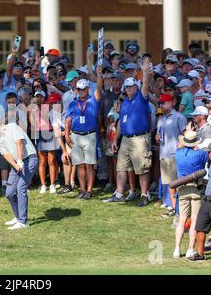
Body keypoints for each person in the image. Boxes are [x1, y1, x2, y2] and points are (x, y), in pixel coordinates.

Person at [104, 57, 152, 206]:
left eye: (131, 87)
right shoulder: (124, 102)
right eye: (127, 87)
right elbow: (120, 122)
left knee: (142, 168)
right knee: (121, 167)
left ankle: (145, 195)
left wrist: (144, 72)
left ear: (136, 87)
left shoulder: (141, 97)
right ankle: (119, 193)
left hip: (139, 138)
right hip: (125, 138)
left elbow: (145, 86)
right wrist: (114, 140)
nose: (129, 89)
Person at [0, 117, 38, 230]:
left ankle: (23, 222)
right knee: (9, 192)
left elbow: (19, 144)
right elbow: (7, 155)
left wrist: (19, 160)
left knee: (21, 188)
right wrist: (15, 165)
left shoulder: (12, 127)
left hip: (30, 158)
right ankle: (18, 216)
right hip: (16, 164)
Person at [65, 65, 104, 200]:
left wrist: (99, 76)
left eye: (83, 89)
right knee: (79, 164)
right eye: (79, 89)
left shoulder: (93, 100)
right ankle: (82, 189)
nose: (81, 91)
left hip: (90, 135)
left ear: (88, 89)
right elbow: (68, 121)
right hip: (75, 135)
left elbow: (99, 89)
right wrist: (66, 134)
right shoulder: (72, 104)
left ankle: (89, 190)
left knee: (89, 164)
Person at [173, 131, 209, 259]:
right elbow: (207, 156)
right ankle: (190, 249)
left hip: (182, 188)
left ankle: (177, 249)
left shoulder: (178, 153)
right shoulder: (200, 153)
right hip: (196, 188)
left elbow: (179, 147)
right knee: (194, 220)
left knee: (182, 219)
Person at [156, 93, 187, 214]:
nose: (161, 105)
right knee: (169, 183)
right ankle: (173, 207)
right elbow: (158, 135)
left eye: (163, 102)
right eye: (160, 103)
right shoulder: (160, 118)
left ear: (171, 102)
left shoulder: (179, 117)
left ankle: (179, 207)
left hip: (176, 154)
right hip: (163, 154)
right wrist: (157, 137)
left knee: (176, 182)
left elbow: (185, 136)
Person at [29, 90, 59, 194]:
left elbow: (48, 120)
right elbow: (32, 124)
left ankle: (52, 184)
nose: (39, 98)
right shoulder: (32, 109)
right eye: (37, 97)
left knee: (51, 160)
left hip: (50, 133)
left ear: (44, 98)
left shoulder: (49, 107)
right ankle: (43, 185)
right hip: (40, 134)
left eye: (41, 97)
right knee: (42, 161)